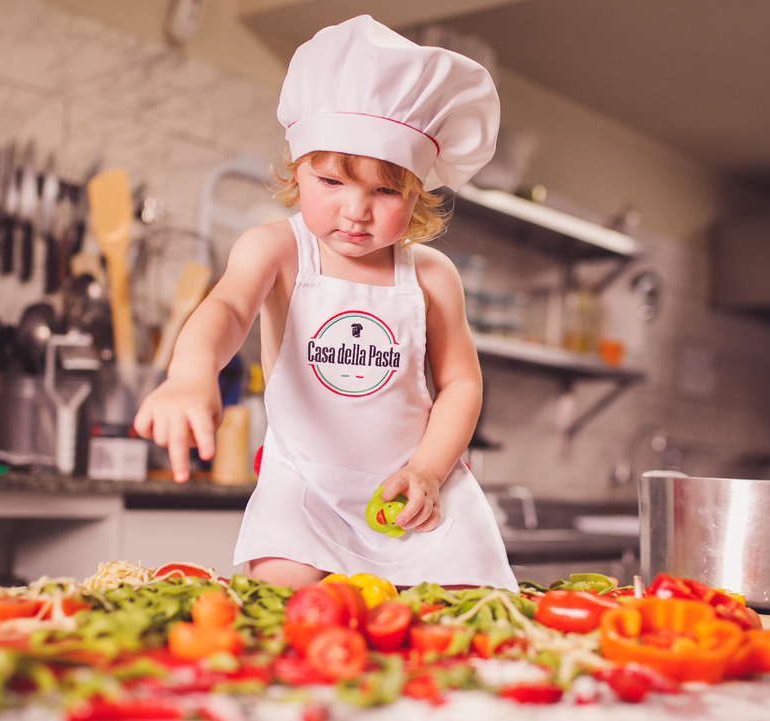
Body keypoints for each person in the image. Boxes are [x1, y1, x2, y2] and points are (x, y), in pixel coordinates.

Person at [134, 15, 517, 591]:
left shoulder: (434, 277)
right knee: (285, 592)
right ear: (298, 170)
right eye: (332, 182)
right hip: (305, 488)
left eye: (385, 189)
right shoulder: (275, 248)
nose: (356, 211)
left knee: (463, 606)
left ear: (417, 193)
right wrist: (190, 374)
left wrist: (429, 470)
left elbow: (461, 384)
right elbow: (228, 309)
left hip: (412, 486)